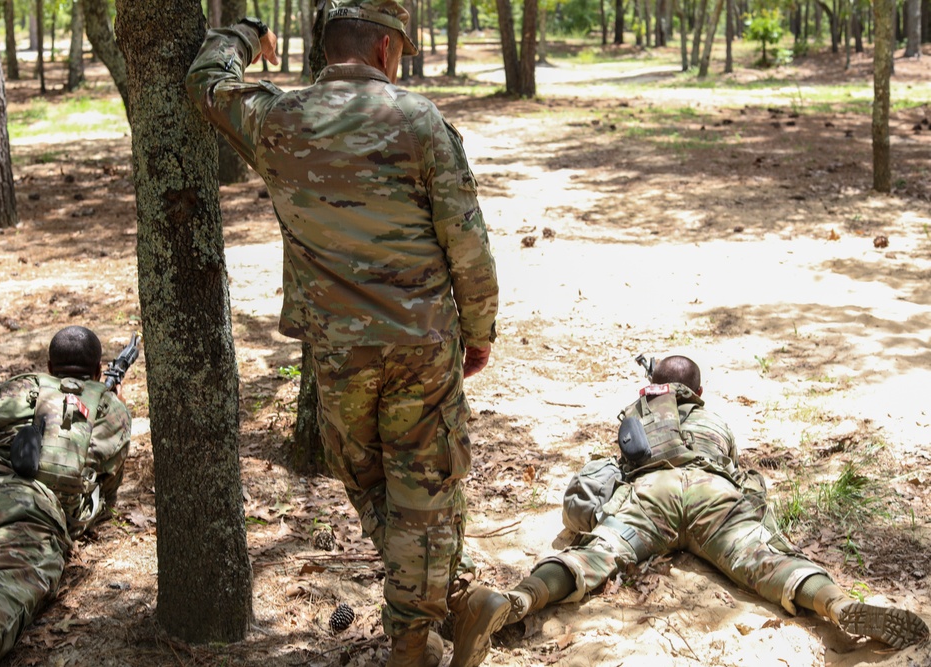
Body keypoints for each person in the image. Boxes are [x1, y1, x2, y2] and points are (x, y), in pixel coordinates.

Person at [186, 4, 506, 667]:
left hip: (339, 349)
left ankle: (441, 612)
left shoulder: (279, 118)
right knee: (424, 487)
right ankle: (429, 624)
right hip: (422, 341)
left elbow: (207, 83)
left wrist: (246, 31)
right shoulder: (418, 121)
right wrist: (479, 332)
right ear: (387, 49)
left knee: (367, 480)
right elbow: (467, 243)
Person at [502, 355, 929, 651]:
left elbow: (619, 467)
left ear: (655, 386)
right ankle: (835, 603)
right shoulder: (715, 420)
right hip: (713, 493)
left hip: (653, 496)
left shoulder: (639, 416)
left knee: (597, 553)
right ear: (699, 391)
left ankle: (520, 599)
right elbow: (732, 464)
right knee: (765, 559)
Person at [0, 326, 132, 667]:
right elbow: (105, 496)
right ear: (99, 372)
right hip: (35, 514)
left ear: (48, 367)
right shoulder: (112, 412)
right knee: (4, 583)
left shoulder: (14, 387)